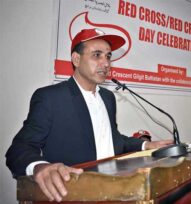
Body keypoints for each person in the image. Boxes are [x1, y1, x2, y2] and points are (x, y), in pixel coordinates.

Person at [5, 28, 173, 202]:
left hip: (114, 192)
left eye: (108, 56)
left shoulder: (108, 98)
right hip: (74, 194)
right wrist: (39, 167)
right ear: (76, 59)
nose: (106, 63)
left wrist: (146, 145)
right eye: (97, 55)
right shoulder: (50, 97)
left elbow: (113, 139)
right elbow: (19, 148)